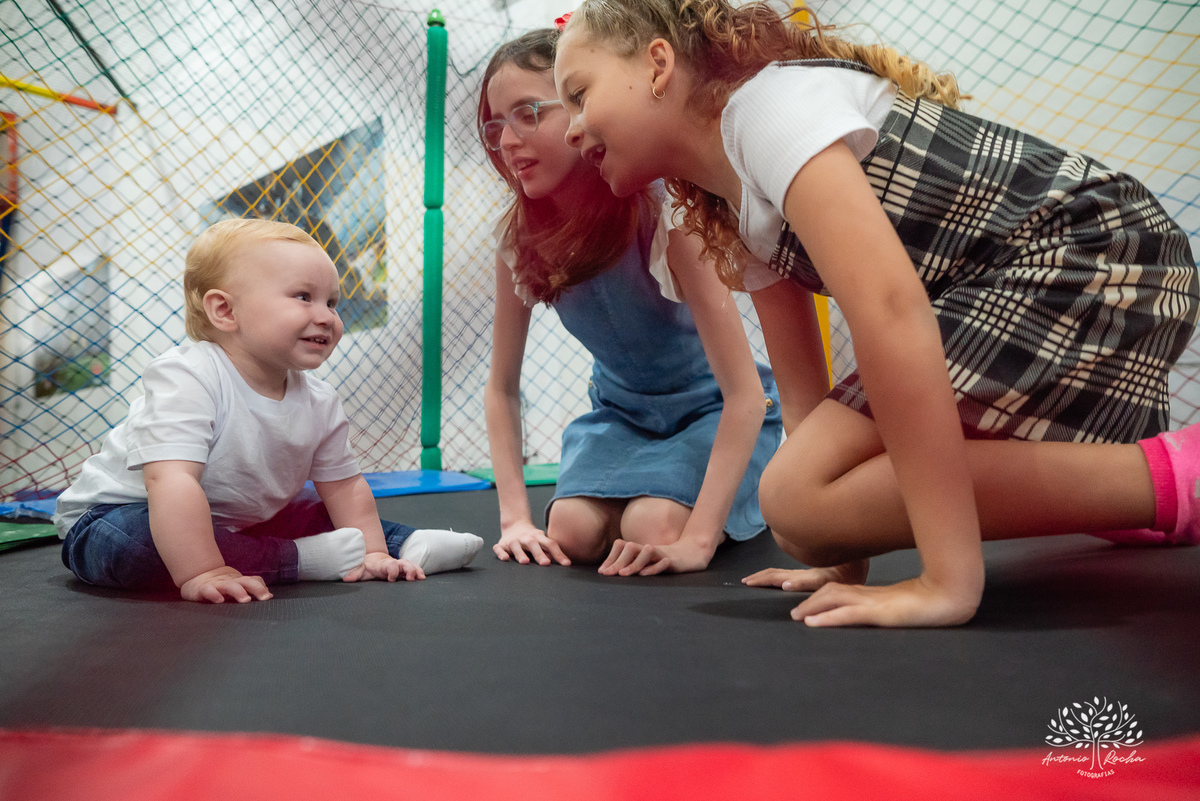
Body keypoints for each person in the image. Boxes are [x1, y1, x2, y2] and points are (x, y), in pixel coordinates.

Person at [554, 0, 1200, 625]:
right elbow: (804, 400)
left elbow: (890, 312)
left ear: (658, 65)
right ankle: (1131, 487)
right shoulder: (729, 208)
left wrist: (946, 582)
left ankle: (1170, 476)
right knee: (801, 516)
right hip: (1017, 283)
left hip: (1093, 252)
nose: (570, 127)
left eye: (580, 94)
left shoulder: (767, 110)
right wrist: (840, 553)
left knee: (793, 496)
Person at [479, 28, 783, 576]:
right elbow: (501, 387)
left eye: (528, 114)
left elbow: (744, 394)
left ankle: (752, 481)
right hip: (621, 416)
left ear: (580, 110)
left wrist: (699, 542)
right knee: (569, 530)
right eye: (496, 125)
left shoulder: (665, 214)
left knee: (654, 527)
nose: (507, 141)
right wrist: (515, 520)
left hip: (713, 412)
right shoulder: (518, 239)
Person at [55, 219, 483, 603]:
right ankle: (298, 559)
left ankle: (399, 544)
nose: (326, 317)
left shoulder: (319, 399)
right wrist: (204, 572)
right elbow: (171, 481)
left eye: (332, 303)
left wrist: (371, 553)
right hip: (116, 516)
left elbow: (345, 488)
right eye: (304, 297)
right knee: (138, 548)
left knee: (316, 510)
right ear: (226, 310)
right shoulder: (187, 376)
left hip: (242, 523)